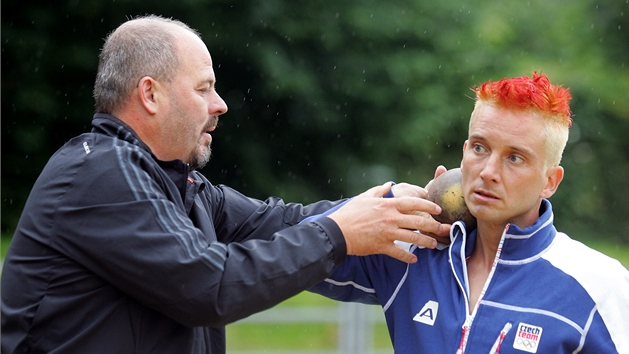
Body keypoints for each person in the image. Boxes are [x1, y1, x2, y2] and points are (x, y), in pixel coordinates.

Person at [0, 15, 451, 354]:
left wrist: (399, 208)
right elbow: (209, 286)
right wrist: (338, 234)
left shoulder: (178, 184)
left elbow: (278, 221)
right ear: (150, 94)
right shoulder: (100, 175)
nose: (221, 105)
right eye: (204, 88)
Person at [309, 72, 629, 353]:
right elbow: (289, 248)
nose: (488, 171)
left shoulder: (600, 287)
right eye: (480, 148)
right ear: (463, 154)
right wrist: (385, 203)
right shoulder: (409, 248)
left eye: (514, 157)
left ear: (550, 181)